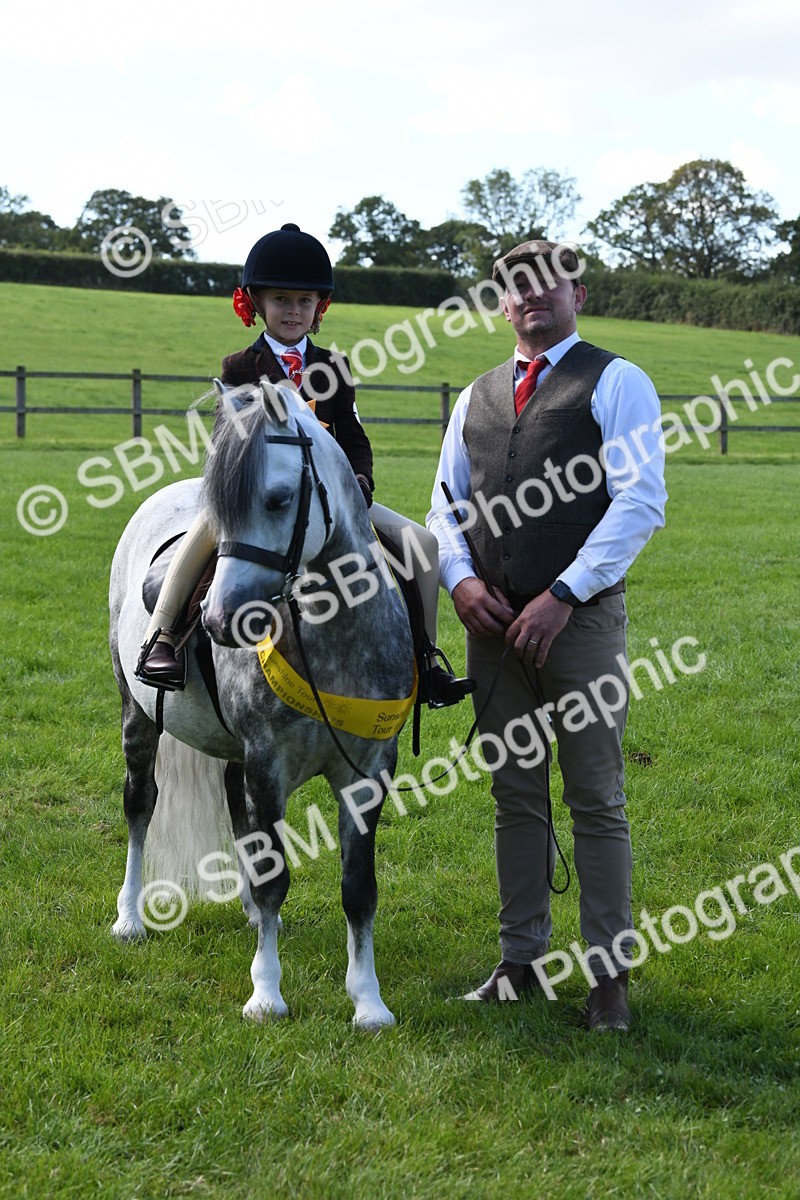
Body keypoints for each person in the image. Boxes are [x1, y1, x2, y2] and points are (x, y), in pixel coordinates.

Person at [426, 239, 667, 1031]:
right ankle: (520, 961)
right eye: (514, 286)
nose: (531, 295)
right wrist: (459, 580)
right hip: (493, 627)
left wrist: (563, 593)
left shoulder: (618, 380)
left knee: (596, 799)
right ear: (501, 303)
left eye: (547, 281)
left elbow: (639, 501)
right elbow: (442, 505)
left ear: (577, 293)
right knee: (514, 797)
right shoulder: (476, 397)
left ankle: (608, 981)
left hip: (580, 624)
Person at [136, 223, 473, 709]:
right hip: (260, 498)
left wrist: (360, 481)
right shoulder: (239, 369)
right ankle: (163, 637)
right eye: (281, 300)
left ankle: (423, 661)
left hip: (332, 498)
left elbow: (354, 437)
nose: (293, 311)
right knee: (201, 539)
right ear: (257, 304)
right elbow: (227, 448)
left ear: (319, 308)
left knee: (421, 542)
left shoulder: (333, 366)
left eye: (304, 301)